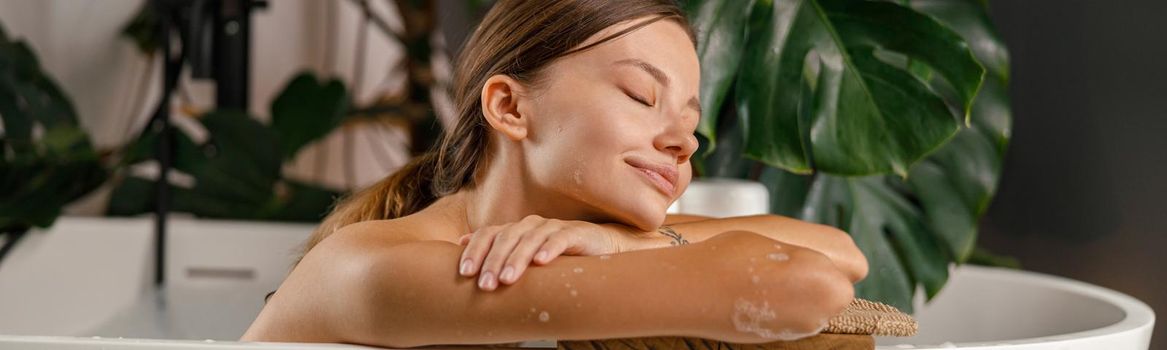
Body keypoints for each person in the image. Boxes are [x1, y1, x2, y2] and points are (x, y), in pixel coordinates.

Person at [241, 0, 867, 347]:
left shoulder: (572, 233)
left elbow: (844, 256)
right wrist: (638, 246)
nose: (682, 141)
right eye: (640, 96)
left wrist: (625, 241)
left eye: (690, 119)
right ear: (510, 107)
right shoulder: (376, 269)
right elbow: (805, 288)